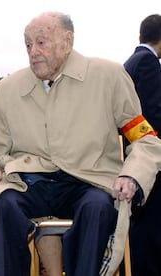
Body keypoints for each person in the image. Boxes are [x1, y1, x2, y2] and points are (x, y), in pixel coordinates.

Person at [0, 11, 161, 276]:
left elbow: (145, 138)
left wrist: (132, 175)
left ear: (67, 42)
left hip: (90, 180)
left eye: (41, 42)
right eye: (28, 44)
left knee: (98, 207)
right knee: (2, 203)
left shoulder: (109, 76)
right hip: (29, 182)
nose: (33, 52)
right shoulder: (9, 88)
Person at [124, 13, 161, 275]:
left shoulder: (130, 63)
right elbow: (154, 113)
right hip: (147, 156)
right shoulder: (148, 64)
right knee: (152, 224)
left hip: (130, 158)